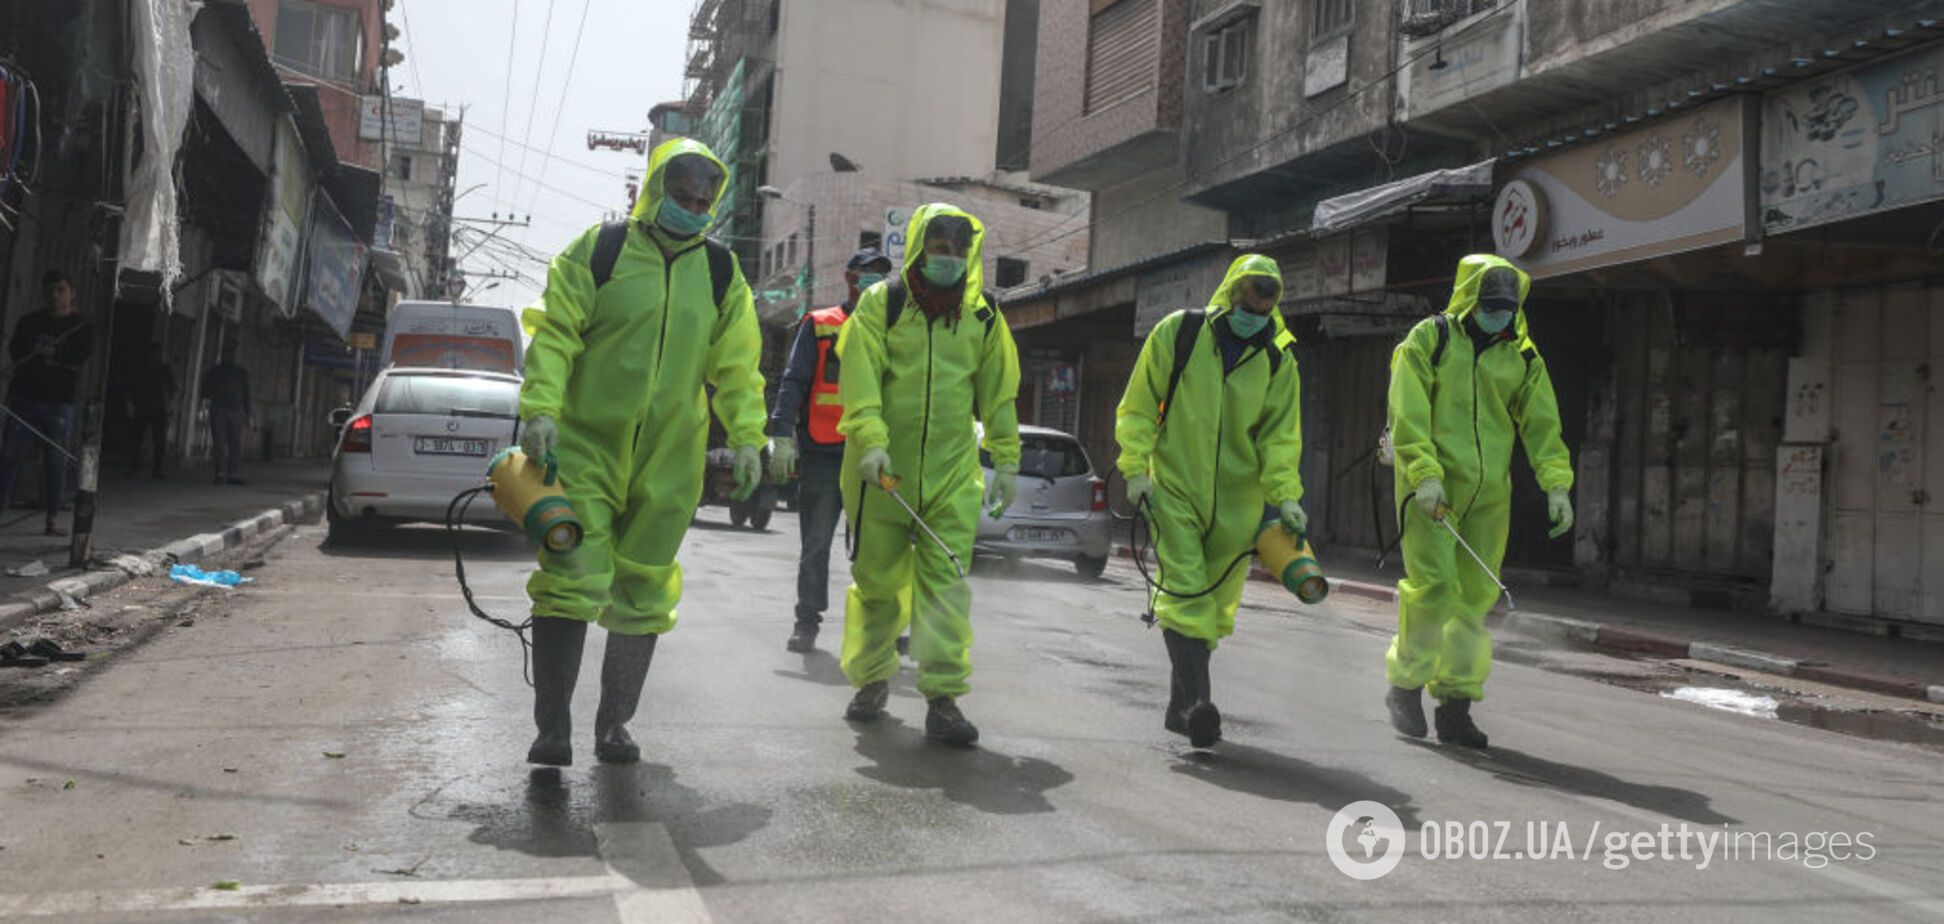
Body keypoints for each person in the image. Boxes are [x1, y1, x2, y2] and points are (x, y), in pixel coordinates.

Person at [518, 138, 766, 767]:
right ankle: (553, 728)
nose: (693, 208)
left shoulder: (720, 272)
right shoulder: (600, 251)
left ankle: (614, 726)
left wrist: (748, 436)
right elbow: (556, 333)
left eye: (704, 201)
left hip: (671, 457)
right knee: (570, 576)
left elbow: (738, 366)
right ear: (655, 190)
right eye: (682, 196)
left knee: (645, 587)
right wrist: (541, 407)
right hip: (585, 447)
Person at [835, 204, 1020, 746]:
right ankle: (871, 681)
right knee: (878, 586)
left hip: (951, 475)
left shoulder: (983, 316)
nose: (950, 259)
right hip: (881, 474)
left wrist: (1007, 458)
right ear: (919, 248)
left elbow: (999, 391)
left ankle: (943, 700)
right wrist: (870, 440)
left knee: (946, 589)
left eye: (960, 250)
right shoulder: (882, 303)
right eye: (940, 248)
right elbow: (860, 377)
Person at [1114, 253, 1304, 749]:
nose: (1254, 314)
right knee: (1185, 594)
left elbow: (1280, 438)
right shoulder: (1180, 333)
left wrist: (1286, 496)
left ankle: (1180, 711)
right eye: (1249, 302)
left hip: (1240, 506)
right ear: (1231, 293)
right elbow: (1139, 406)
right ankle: (1200, 705)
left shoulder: (1278, 359)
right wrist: (1135, 468)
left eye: (1264, 307)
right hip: (1175, 489)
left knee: (1215, 611)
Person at [1383, 255, 1573, 749]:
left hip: (1489, 496)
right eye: (1490, 306)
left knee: (1474, 598)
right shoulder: (1430, 340)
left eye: (1507, 307)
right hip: (1432, 489)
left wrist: (1556, 484)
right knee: (1434, 589)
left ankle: (1455, 705)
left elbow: (1542, 423)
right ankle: (1405, 687)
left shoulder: (1522, 356)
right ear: (1470, 298)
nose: (1499, 314)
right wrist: (1424, 473)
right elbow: (1407, 411)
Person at [768, 247, 895, 653]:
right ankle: (806, 622)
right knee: (816, 543)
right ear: (849, 277)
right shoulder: (821, 324)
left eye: (881, 274)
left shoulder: (894, 327)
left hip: (874, 453)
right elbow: (794, 381)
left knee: (882, 546)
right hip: (824, 451)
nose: (874, 280)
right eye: (867, 272)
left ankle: (883, 627)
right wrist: (781, 433)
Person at [0, 270, 93, 536]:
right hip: (24, 398)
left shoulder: (81, 326)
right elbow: (16, 349)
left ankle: (52, 519)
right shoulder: (29, 322)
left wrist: (54, 353)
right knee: (9, 457)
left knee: (56, 461)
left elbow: (79, 357)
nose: (55, 296)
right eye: (50, 290)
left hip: (59, 402)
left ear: (72, 293)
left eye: (61, 290)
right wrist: (36, 353)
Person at [124, 343, 175, 478]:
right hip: (148, 406)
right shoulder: (143, 369)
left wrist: (169, 405)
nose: (155, 356)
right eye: (153, 354)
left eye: (157, 354)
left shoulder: (161, 369)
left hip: (153, 407)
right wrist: (130, 404)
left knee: (154, 439)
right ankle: (139, 467)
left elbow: (171, 388)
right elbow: (130, 387)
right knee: (142, 438)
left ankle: (152, 468)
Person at [201, 345, 250, 486]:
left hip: (235, 410)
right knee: (220, 442)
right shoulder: (215, 372)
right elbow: (205, 391)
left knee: (235, 443)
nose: (230, 357)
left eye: (232, 354)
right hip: (219, 409)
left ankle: (232, 473)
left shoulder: (240, 372)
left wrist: (248, 412)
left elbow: (246, 393)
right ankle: (221, 473)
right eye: (227, 354)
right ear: (222, 355)